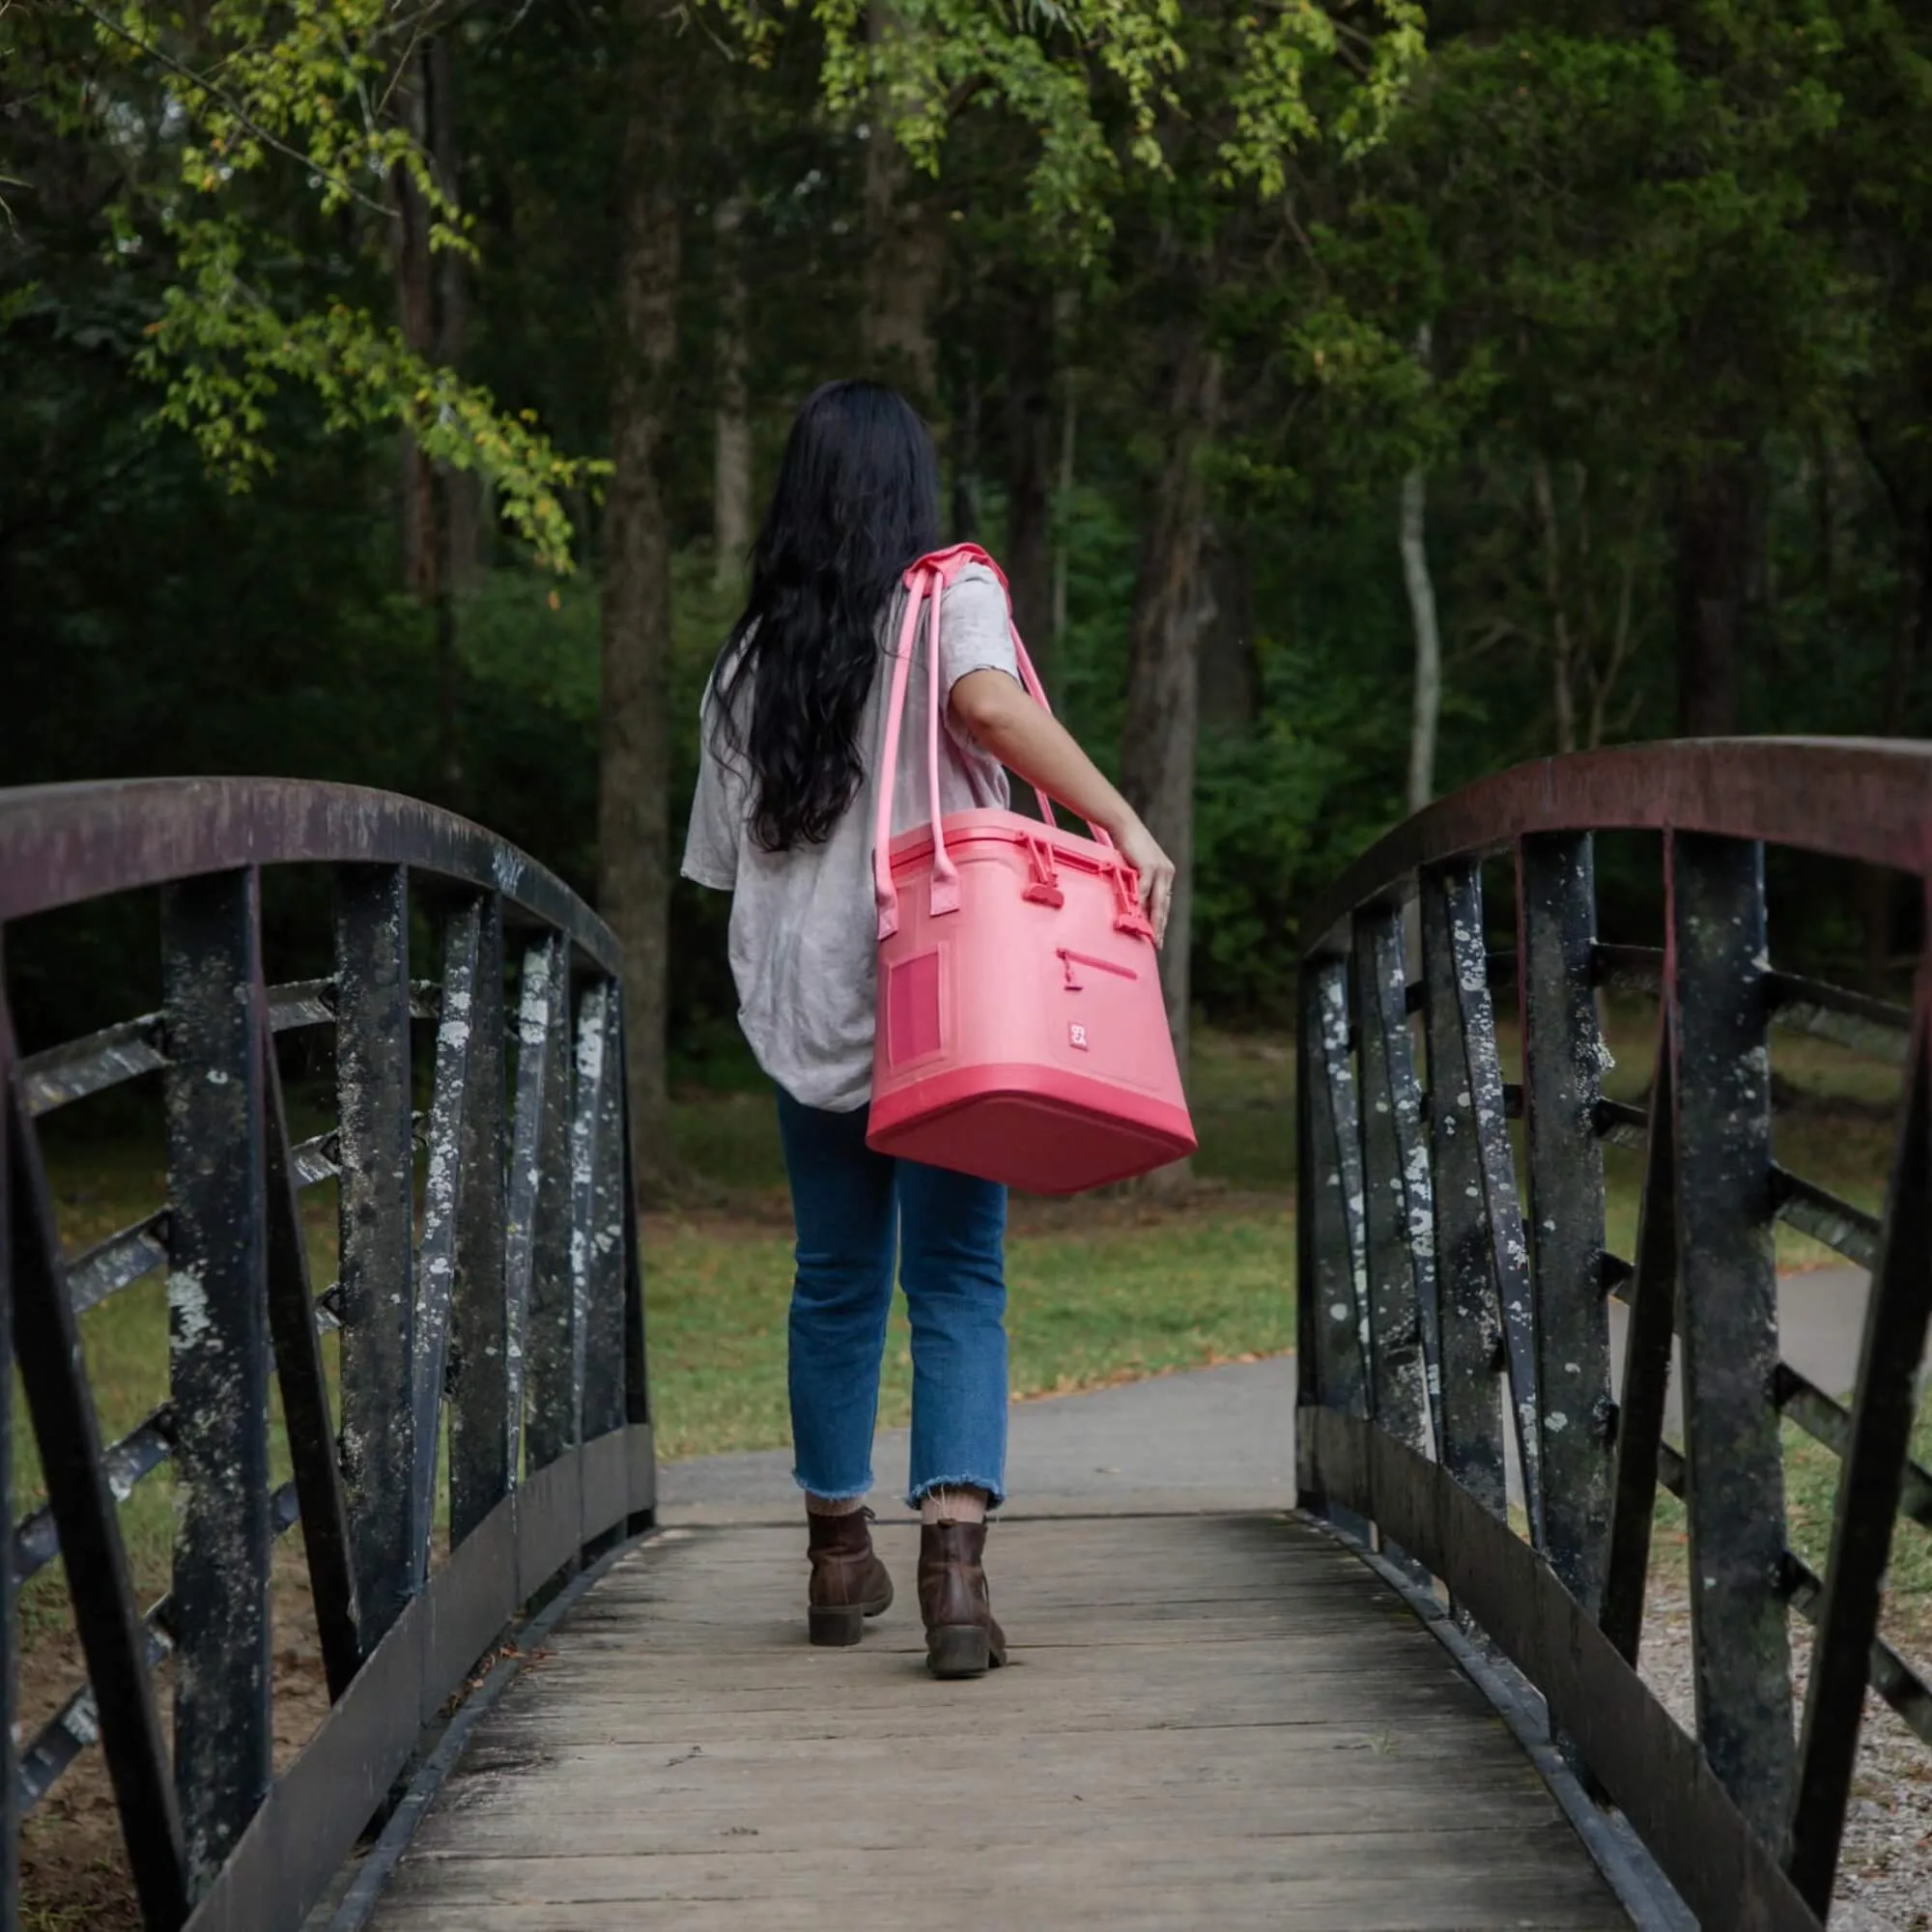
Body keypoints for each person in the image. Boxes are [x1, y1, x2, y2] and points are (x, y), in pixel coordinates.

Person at [681, 379, 1175, 1680]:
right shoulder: (948, 594)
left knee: (835, 1276)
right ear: (909, 485)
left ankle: (838, 1554)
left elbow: (728, 870)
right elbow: (992, 709)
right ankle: (955, 1574)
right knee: (956, 1275)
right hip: (944, 996)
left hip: (807, 1004)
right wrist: (1122, 821)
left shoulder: (747, 660)